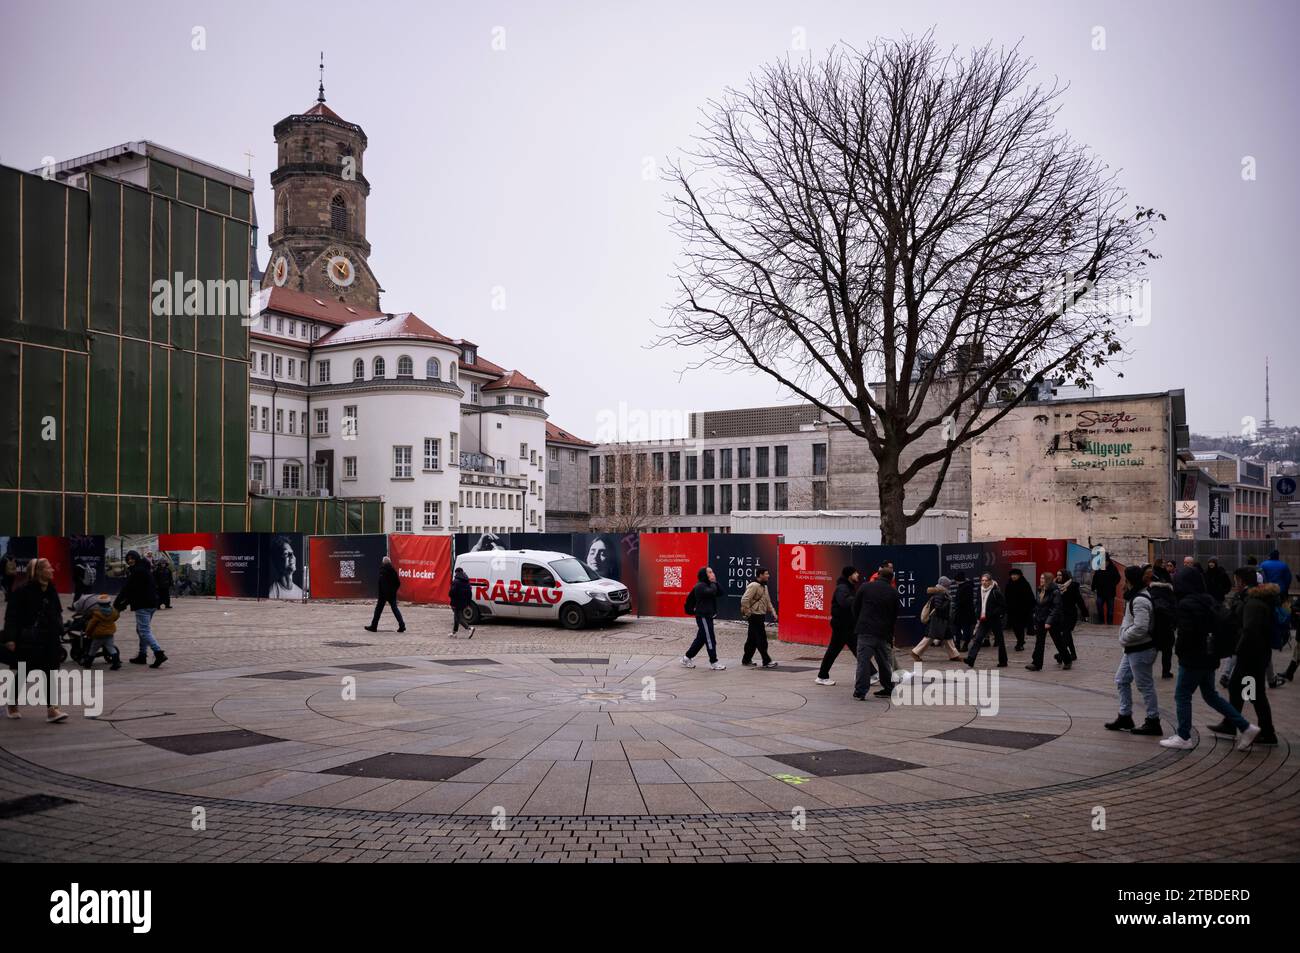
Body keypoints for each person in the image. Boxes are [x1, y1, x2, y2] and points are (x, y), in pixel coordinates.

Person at [1160, 566, 1258, 750]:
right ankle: (1246, 726)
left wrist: (1180, 652)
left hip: (1193, 658)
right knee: (1211, 695)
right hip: (1210, 655)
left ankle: (1183, 736)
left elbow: (1186, 634)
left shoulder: (1186, 604)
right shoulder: (1209, 600)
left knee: (1182, 695)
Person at [1210, 568, 1278, 746]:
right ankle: (1232, 723)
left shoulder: (1253, 603)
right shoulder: (1252, 599)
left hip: (1251, 656)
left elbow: (1249, 630)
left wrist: (1238, 650)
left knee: (1253, 693)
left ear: (1242, 581)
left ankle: (1266, 732)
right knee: (1242, 689)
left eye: (1236, 580)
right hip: (1254, 655)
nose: (1235, 584)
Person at [2, 558, 69, 722]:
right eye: (49, 567)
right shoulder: (22, 591)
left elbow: (57, 611)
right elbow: (11, 616)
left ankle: (52, 710)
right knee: (24, 672)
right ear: (39, 572)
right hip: (29, 640)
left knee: (50, 673)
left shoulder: (51, 589)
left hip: (49, 638)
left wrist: (60, 628)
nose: (52, 570)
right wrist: (10, 638)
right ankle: (12, 703)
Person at [1105, 566, 1163, 735]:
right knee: (1121, 679)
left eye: (1125, 579)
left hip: (1141, 649)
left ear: (1130, 580)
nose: (1123, 582)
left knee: (1145, 686)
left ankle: (1153, 721)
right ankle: (1125, 716)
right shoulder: (1134, 597)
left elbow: (1141, 627)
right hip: (1132, 649)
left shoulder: (1140, 600)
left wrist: (1124, 636)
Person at [114, 550, 165, 668]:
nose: (130, 560)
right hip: (151, 603)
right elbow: (134, 589)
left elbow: (129, 589)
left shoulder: (138, 571)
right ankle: (142, 655)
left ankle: (158, 653)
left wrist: (118, 603)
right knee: (141, 630)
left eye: (132, 558)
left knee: (144, 630)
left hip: (143, 604)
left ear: (137, 558)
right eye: (128, 559)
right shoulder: (144, 569)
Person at [853, 566, 897, 699]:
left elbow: (855, 607)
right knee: (883, 661)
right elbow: (894, 616)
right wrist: (890, 635)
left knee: (863, 661)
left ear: (878, 575)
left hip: (866, 630)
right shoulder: (893, 592)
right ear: (891, 579)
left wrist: (860, 621)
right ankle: (888, 688)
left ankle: (861, 691)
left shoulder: (865, 587)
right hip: (883, 633)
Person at [816, 567, 859, 686]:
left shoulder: (848, 587)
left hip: (846, 624)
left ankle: (871, 673)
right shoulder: (842, 588)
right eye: (855, 573)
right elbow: (844, 602)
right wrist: (857, 600)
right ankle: (822, 676)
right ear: (850, 575)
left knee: (855, 649)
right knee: (835, 650)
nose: (858, 575)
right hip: (842, 624)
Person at [681, 567, 724, 670]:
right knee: (710, 639)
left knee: (700, 640)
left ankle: (687, 658)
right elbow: (712, 592)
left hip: (708, 616)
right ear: (704, 575)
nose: (712, 573)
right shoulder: (700, 586)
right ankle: (714, 662)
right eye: (710, 572)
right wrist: (713, 583)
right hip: (703, 616)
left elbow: (720, 592)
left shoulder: (709, 585)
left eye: (712, 571)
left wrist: (715, 582)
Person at [912, 575, 961, 662]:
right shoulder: (940, 593)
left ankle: (954, 655)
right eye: (948, 584)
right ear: (945, 585)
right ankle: (916, 652)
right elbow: (938, 607)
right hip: (938, 620)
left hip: (942, 620)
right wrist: (947, 603)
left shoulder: (941, 592)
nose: (949, 586)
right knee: (930, 637)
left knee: (948, 637)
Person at [1026, 571, 1068, 671]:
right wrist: (1035, 616)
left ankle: (1067, 660)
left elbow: (1056, 608)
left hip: (1052, 621)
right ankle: (1036, 664)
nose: (1041, 580)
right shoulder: (1040, 589)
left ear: (1048, 580)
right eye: (1040, 578)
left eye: (1043, 578)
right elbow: (1038, 605)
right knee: (1039, 642)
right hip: (1040, 619)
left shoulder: (1055, 591)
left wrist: (1049, 621)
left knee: (1058, 641)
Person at [964, 572, 1007, 667]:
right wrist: (978, 613)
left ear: (990, 581)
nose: (984, 582)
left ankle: (1003, 661)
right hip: (984, 620)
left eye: (986, 580)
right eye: (982, 580)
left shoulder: (995, 591)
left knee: (1000, 641)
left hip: (994, 620)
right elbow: (979, 603)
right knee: (978, 639)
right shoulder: (980, 590)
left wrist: (993, 613)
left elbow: (1003, 606)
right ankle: (971, 659)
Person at [740, 567, 778, 668]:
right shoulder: (754, 586)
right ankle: (766, 660)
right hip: (754, 616)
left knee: (752, 640)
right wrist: (748, 613)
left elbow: (768, 601)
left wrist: (773, 612)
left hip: (760, 615)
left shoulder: (764, 586)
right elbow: (744, 600)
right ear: (760, 575)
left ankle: (746, 659)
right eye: (766, 574)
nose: (768, 576)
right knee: (761, 639)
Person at [1149, 564, 1178, 678]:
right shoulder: (1169, 592)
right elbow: (1175, 608)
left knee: (1152, 649)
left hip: (1154, 626)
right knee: (1167, 650)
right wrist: (1174, 623)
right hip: (1167, 626)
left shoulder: (1151, 591)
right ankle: (1166, 671)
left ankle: (1146, 670)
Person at [81, 594, 122, 670]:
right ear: (109, 603)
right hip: (109, 634)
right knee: (111, 648)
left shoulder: (96, 614)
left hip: (98, 635)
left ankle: (88, 663)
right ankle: (116, 663)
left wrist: (88, 632)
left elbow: (91, 625)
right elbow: (116, 616)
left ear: (99, 604)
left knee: (93, 649)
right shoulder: (113, 612)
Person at [365, 556, 405, 633]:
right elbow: (398, 583)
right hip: (392, 594)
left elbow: (382, 584)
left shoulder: (383, 571)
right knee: (395, 609)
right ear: (390, 563)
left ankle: (374, 626)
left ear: (383, 562)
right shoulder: (393, 571)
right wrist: (393, 591)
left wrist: (384, 594)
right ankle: (402, 625)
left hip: (383, 595)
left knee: (378, 610)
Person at [1055, 569, 1087, 665]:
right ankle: (1073, 654)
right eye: (1057, 575)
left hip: (1070, 615)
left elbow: (1079, 600)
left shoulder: (1072, 586)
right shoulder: (1055, 587)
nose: (1058, 577)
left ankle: (1062, 654)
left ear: (1065, 576)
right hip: (1060, 615)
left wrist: (1085, 613)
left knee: (1065, 634)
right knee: (1067, 635)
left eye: (1060, 575)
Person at [1004, 568, 1035, 652]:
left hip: (1022, 611)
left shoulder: (1024, 584)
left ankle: (1020, 643)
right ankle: (1020, 640)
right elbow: (1006, 597)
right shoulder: (1009, 584)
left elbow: (1030, 597)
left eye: (1015, 575)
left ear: (1019, 575)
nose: (1013, 576)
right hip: (1012, 611)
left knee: (1020, 627)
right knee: (1015, 627)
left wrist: (1029, 609)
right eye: (1012, 575)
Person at [1092, 557, 1120, 625]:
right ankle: (1101, 621)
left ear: (1108, 561)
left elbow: (1118, 578)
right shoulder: (1099, 569)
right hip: (1100, 592)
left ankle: (1109, 623)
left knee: (1110, 610)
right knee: (1099, 606)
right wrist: (1093, 587)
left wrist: (1113, 584)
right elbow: (1095, 578)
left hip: (1110, 593)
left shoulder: (1113, 568)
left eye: (1106, 561)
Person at [449, 567, 475, 638]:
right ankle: (454, 632)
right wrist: (468, 603)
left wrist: (450, 595)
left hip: (456, 602)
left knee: (458, 618)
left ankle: (469, 628)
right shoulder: (467, 581)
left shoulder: (456, 581)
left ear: (456, 572)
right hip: (464, 602)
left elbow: (452, 592)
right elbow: (470, 593)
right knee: (456, 616)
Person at [953, 572, 976, 652]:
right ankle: (959, 644)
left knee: (965, 629)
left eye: (956, 580)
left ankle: (964, 644)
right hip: (962, 612)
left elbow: (963, 600)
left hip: (965, 613)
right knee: (959, 629)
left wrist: (957, 604)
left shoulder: (966, 587)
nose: (955, 582)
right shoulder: (964, 586)